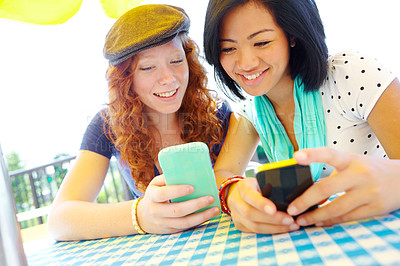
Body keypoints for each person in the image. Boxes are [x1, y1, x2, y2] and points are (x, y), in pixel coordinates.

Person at [203, 0, 400, 234]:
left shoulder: (352, 73)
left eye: (262, 42)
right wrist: (235, 194)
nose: (246, 63)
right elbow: (223, 174)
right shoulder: (251, 111)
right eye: (228, 48)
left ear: (293, 35)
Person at [47, 4, 231, 241]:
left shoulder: (217, 113)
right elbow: (59, 221)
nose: (168, 78)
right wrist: (141, 215)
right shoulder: (107, 125)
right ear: (126, 79)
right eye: (147, 67)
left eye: (176, 61)